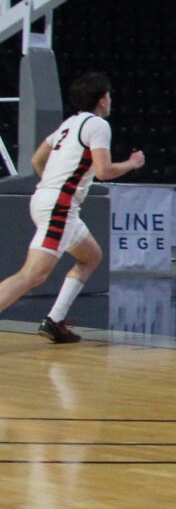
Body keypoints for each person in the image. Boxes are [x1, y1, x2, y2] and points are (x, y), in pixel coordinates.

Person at [0, 72, 144, 343]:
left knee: (91, 257)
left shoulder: (69, 123)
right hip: (60, 206)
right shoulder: (98, 125)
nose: (110, 100)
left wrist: (51, 186)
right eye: (109, 95)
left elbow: (37, 159)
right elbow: (103, 171)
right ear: (102, 100)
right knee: (32, 275)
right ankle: (53, 320)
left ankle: (54, 320)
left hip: (52, 201)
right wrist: (132, 163)